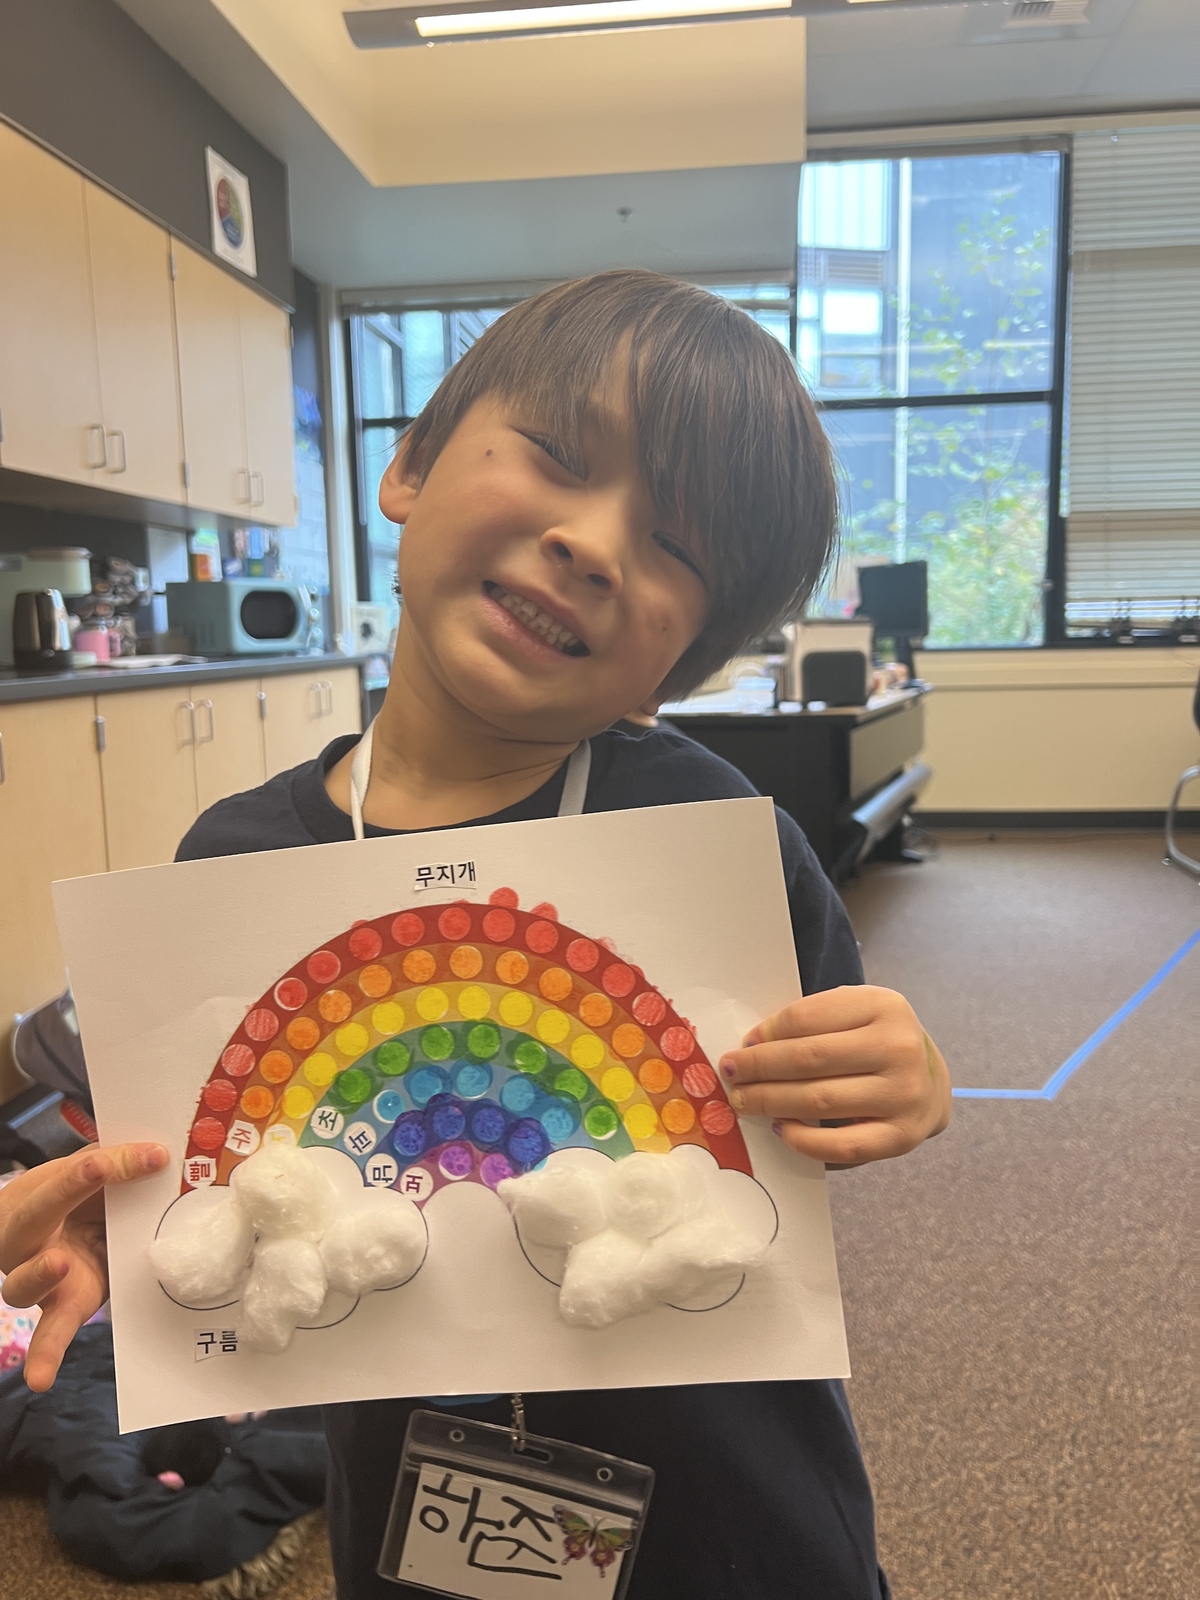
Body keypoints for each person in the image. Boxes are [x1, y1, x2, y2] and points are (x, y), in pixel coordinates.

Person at [0, 272, 950, 1598]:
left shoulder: (717, 838)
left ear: (687, 658)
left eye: (676, 547)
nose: (594, 543)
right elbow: (199, 1173)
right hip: (417, 1517)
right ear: (408, 467)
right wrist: (124, 1233)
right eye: (557, 453)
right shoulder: (235, 861)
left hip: (736, 1519)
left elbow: (815, 1109)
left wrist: (900, 1076)